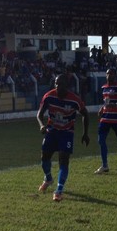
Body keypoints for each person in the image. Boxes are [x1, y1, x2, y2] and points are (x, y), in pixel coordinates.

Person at [37, 74, 90, 202]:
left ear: (67, 85)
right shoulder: (49, 96)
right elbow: (39, 114)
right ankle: (49, 179)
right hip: (52, 130)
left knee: (63, 160)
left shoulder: (74, 100)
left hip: (66, 132)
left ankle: (59, 190)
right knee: (44, 157)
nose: (57, 86)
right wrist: (42, 125)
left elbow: (85, 114)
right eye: (56, 83)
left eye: (60, 84)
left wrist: (85, 133)